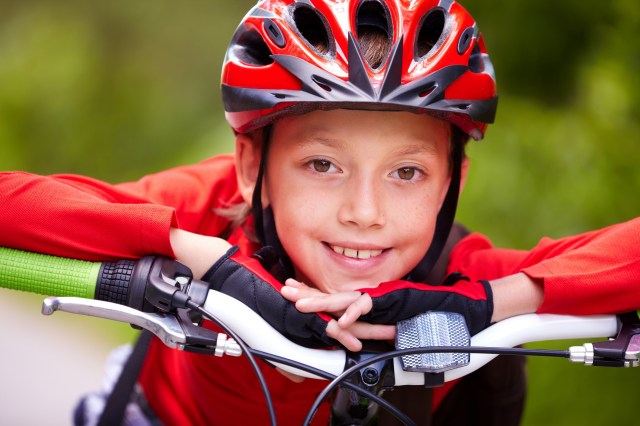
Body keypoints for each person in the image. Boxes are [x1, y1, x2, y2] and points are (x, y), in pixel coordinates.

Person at [1, 0, 639, 424]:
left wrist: (495, 301)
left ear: (453, 183)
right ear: (254, 166)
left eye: (407, 172)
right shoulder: (211, 206)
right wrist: (204, 260)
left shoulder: (456, 271)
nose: (365, 213)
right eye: (322, 165)